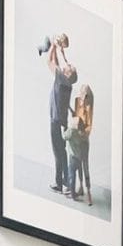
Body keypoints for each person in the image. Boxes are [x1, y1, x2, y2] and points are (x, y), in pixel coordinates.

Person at [44, 35, 78, 197]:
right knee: (60, 152)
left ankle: (64, 184)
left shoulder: (63, 80)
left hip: (56, 121)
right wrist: (57, 49)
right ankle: (61, 183)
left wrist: (54, 47)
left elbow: (50, 63)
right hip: (59, 120)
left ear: (68, 74)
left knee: (59, 153)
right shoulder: (66, 83)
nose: (67, 66)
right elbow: (57, 63)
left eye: (69, 68)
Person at [64, 84, 94, 205]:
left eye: (85, 94)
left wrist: (79, 132)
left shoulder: (89, 108)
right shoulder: (77, 101)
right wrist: (72, 114)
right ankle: (80, 187)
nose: (82, 96)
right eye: (82, 93)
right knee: (78, 167)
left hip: (83, 142)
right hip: (76, 140)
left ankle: (88, 191)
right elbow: (76, 118)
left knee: (85, 165)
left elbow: (88, 129)